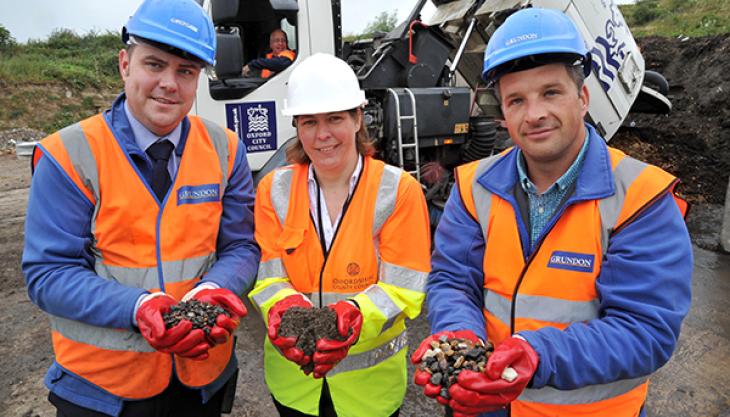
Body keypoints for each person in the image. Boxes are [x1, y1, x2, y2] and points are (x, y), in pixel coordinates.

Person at [412, 8, 692, 417]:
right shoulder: (473, 186)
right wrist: (460, 337)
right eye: (516, 100)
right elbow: (453, 280)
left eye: (551, 92)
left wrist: (535, 354)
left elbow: (645, 330)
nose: (534, 114)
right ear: (502, 113)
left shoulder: (640, 197)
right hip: (485, 405)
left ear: (582, 98)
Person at [21, 0, 261, 416]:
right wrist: (138, 307)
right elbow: (48, 273)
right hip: (103, 389)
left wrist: (212, 291)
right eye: (155, 64)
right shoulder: (69, 155)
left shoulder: (226, 150)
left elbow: (242, 247)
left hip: (202, 377)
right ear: (124, 64)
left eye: (185, 71)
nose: (170, 83)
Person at [249, 53, 431, 417]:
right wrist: (285, 309)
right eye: (309, 122)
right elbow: (269, 277)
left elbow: (404, 288)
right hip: (294, 385)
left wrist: (352, 315)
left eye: (334, 119)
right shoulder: (274, 189)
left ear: (357, 118)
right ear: (297, 126)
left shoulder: (398, 190)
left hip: (370, 392)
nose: (322, 135)